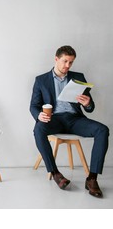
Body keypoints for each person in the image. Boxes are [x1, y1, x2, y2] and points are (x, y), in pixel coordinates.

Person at [30, 45, 109, 198]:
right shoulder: (41, 80)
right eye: (65, 61)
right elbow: (33, 105)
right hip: (54, 119)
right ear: (56, 59)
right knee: (38, 129)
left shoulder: (78, 77)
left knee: (102, 130)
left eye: (71, 62)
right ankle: (55, 173)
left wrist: (88, 104)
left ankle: (92, 178)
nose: (67, 66)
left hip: (75, 119)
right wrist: (39, 115)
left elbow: (90, 107)